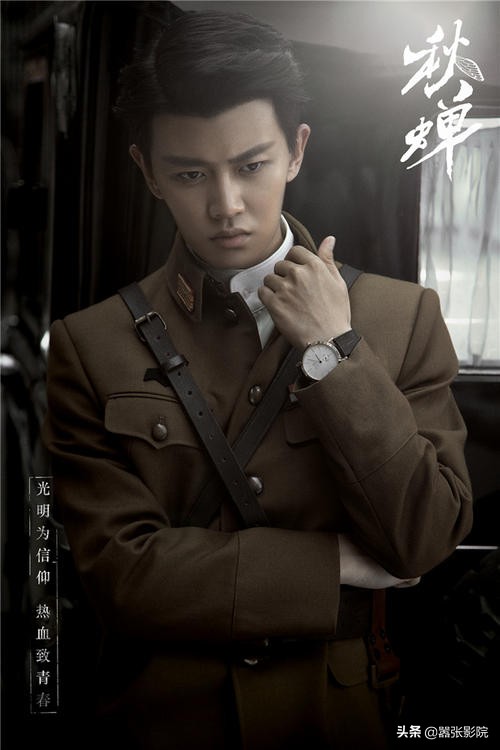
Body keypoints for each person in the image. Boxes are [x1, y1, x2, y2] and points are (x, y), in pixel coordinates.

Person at [43, 10, 473, 750]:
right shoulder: (89, 345)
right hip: (157, 723)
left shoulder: (402, 317)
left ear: (296, 151)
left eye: (251, 166)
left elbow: (425, 539)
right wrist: (335, 564)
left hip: (339, 719)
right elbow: (117, 577)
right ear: (147, 171)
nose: (226, 206)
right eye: (190, 174)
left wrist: (336, 349)